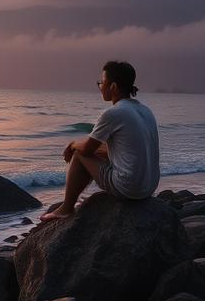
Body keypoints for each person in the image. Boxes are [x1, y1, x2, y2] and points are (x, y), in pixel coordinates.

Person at [38, 60, 160, 223]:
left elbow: (87, 150)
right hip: (149, 186)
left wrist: (72, 144)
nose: (100, 86)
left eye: (102, 82)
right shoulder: (145, 110)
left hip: (130, 189)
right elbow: (118, 150)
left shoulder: (114, 113)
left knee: (79, 155)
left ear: (114, 87)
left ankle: (66, 208)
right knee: (96, 150)